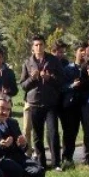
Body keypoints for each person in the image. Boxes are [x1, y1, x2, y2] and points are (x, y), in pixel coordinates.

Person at [19, 36, 64, 169]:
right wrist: (32, 78)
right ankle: (41, 162)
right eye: (36, 45)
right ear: (32, 47)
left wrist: (49, 77)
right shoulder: (27, 62)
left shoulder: (53, 60)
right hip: (34, 102)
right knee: (37, 135)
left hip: (50, 102)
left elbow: (61, 80)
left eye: (41, 45)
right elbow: (23, 85)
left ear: (45, 46)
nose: (39, 47)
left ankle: (56, 163)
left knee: (53, 132)